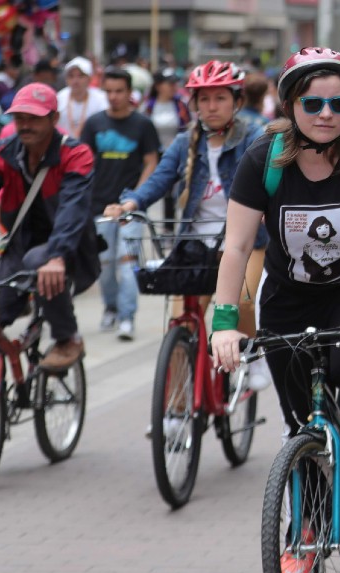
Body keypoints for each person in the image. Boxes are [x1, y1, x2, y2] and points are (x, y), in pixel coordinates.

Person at [207, 50, 340, 562]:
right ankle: (309, 533)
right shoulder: (264, 157)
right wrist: (224, 323)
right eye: (313, 102)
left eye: (338, 103)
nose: (326, 113)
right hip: (288, 297)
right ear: (291, 103)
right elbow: (235, 247)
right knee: (301, 423)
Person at [103, 60, 272, 391]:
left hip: (245, 242)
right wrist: (131, 203)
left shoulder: (254, 138)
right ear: (193, 104)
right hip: (195, 245)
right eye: (204, 99)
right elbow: (160, 178)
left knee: (242, 300)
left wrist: (270, 206)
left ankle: (254, 355)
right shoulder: (185, 143)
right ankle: (176, 414)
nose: (211, 106)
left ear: (237, 101)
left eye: (220, 98)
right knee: (179, 325)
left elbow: (272, 179)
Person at [0, 83, 101, 370]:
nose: (26, 125)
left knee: (39, 259)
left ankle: (67, 338)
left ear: (53, 119)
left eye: (34, 118)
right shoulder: (0, 154)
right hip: (17, 246)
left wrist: (58, 256)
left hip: (66, 248)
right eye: (20, 118)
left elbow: (73, 211)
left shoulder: (75, 154)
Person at [80, 68, 160, 341]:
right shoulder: (93, 124)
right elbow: (83, 161)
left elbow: (151, 160)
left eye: (119, 91)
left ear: (129, 93)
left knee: (128, 264)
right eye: (109, 91)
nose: (113, 97)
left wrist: (137, 196)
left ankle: (127, 317)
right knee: (104, 263)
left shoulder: (142, 125)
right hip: (99, 207)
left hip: (131, 208)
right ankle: (110, 308)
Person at [56, 57, 109, 139]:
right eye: (71, 76)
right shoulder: (59, 99)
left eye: (80, 76)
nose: (75, 81)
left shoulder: (101, 99)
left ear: (89, 78)